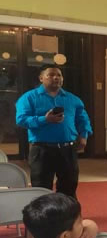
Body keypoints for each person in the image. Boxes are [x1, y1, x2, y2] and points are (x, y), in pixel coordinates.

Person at [15, 65, 92, 199]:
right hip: (41, 150)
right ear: (41, 78)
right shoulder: (29, 98)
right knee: (41, 189)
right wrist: (45, 119)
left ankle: (66, 212)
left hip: (68, 149)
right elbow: (21, 119)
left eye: (59, 75)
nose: (56, 78)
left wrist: (83, 136)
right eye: (50, 75)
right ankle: (44, 213)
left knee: (69, 188)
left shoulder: (73, 99)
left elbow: (83, 119)